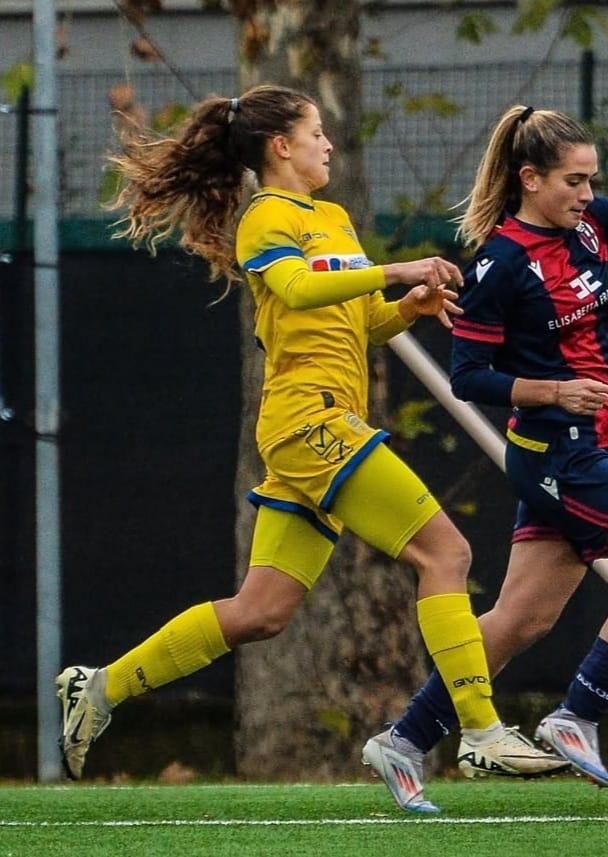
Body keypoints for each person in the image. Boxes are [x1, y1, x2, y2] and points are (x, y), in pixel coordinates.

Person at [54, 85, 567, 789]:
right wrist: (396, 270)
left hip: (320, 421)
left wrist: (404, 308)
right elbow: (296, 289)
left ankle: (100, 686)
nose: (329, 144)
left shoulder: (331, 217)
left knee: (260, 613)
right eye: (318, 132)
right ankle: (479, 729)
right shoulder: (265, 217)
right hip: (307, 420)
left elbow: (351, 323)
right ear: (281, 146)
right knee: (445, 551)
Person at [361, 105, 608, 812]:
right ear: (530, 179)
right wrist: (553, 389)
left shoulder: (587, 224)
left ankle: (402, 738)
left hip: (579, 451)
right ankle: (576, 713)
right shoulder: (500, 263)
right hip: (558, 455)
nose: (587, 193)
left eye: (591, 180)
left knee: (518, 622)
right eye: (574, 180)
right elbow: (467, 376)